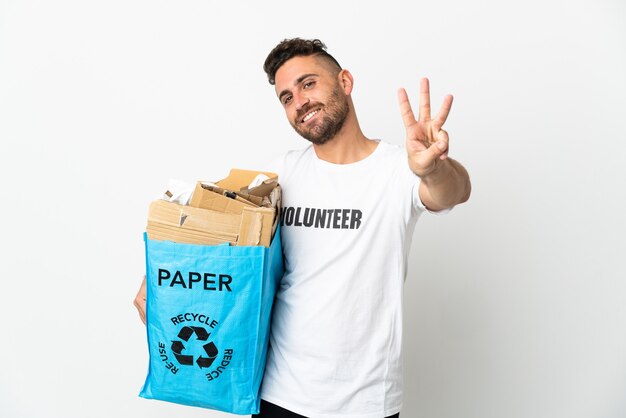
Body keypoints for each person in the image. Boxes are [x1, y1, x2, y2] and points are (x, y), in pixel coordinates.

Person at [134, 38, 470, 418]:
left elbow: (451, 193)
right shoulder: (282, 172)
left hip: (366, 402)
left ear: (345, 81)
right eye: (287, 97)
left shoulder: (396, 169)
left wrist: (433, 168)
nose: (299, 102)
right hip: (279, 393)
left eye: (308, 84)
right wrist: (162, 272)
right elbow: (215, 228)